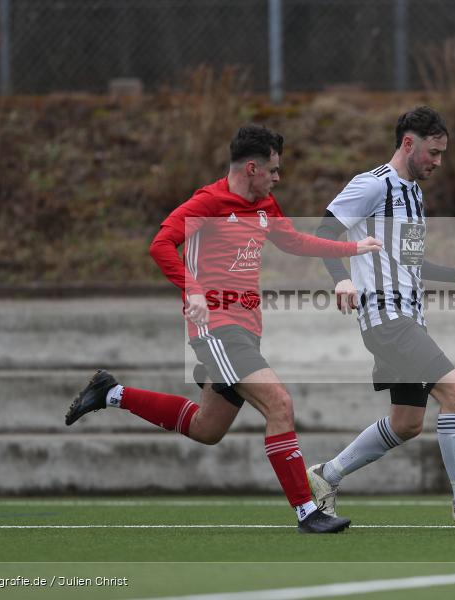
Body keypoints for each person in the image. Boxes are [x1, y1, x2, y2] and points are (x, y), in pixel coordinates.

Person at [65, 124, 382, 534]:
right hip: (216, 327)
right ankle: (308, 511)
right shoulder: (208, 202)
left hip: (247, 329)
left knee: (207, 428)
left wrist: (351, 249)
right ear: (252, 168)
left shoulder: (265, 205)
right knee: (280, 404)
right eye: (273, 169)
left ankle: (110, 392)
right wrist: (193, 289)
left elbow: (293, 242)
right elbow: (161, 244)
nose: (277, 177)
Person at [309, 106, 455, 527]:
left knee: (406, 424)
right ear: (408, 144)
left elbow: (410, 262)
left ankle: (325, 476)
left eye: (442, 154)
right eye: (433, 152)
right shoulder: (372, 185)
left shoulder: (414, 195)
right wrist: (341, 279)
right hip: (386, 318)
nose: (438, 162)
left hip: (408, 318)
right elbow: (324, 232)